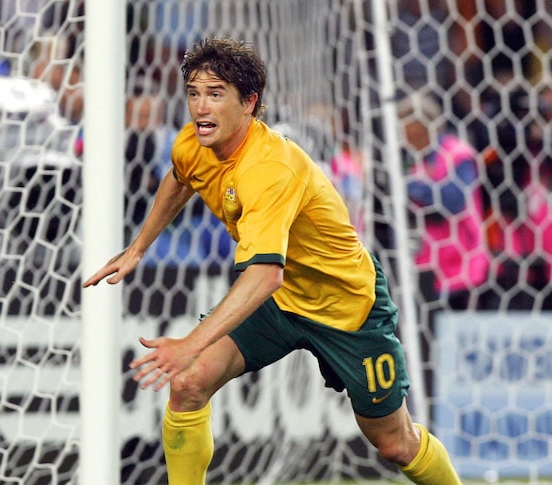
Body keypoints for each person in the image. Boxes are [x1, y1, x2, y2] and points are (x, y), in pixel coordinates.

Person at [83, 38, 461, 484]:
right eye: (194, 92)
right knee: (187, 383)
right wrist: (139, 247)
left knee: (396, 444)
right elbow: (180, 177)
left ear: (250, 102)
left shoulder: (269, 169)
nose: (201, 107)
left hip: (346, 308)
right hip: (280, 306)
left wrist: (189, 342)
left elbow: (264, 274)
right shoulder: (196, 141)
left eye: (216, 93)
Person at [398, 94, 490, 311]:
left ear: (434, 127)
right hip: (425, 265)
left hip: (462, 265)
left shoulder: (458, 154)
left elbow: (453, 200)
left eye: (417, 135)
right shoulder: (407, 158)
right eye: (407, 135)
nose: (412, 141)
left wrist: (411, 187)